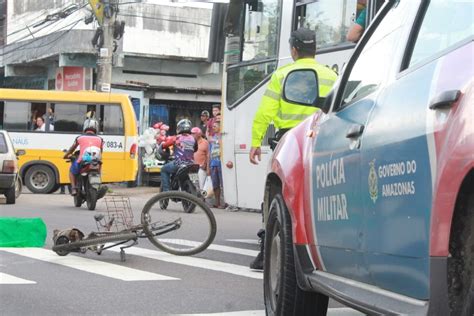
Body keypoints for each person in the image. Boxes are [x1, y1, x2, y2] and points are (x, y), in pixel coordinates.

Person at [248, 27, 338, 270]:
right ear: (315, 49)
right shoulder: (331, 75)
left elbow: (265, 112)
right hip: (323, 141)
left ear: (294, 50)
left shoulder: (283, 74)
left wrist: (256, 142)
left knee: (278, 196)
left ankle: (267, 251)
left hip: (289, 143)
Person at [63, 118, 104, 196]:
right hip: (96, 161)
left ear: (85, 127)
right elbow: (100, 152)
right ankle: (99, 182)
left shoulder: (80, 138)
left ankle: (74, 188)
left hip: (83, 160)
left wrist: (65, 156)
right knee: (99, 169)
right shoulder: (100, 139)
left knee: (72, 172)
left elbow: (72, 149)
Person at [160, 119, 196, 192]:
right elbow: (195, 149)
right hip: (191, 163)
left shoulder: (176, 138)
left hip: (179, 163)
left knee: (163, 169)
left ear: (179, 128)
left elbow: (164, 146)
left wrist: (161, 146)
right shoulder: (193, 139)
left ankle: (166, 192)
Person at [207, 121, 226, 209]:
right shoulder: (212, 138)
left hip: (221, 164)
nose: (213, 127)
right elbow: (209, 153)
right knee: (215, 185)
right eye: (213, 126)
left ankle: (224, 203)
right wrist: (208, 166)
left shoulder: (223, 137)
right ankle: (217, 202)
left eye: (215, 126)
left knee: (223, 184)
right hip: (213, 163)